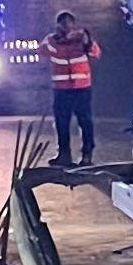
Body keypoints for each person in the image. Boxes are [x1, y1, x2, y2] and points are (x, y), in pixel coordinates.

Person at [43, 11, 98, 169]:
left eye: (68, 23)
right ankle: (64, 155)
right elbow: (43, 50)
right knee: (61, 123)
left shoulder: (82, 39)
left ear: (73, 24)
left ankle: (87, 155)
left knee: (85, 122)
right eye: (62, 24)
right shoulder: (52, 40)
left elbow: (95, 53)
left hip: (81, 87)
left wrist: (86, 40)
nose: (66, 27)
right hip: (62, 89)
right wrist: (59, 39)